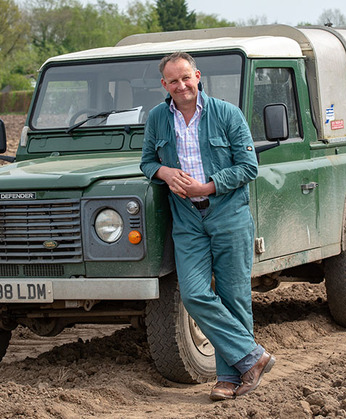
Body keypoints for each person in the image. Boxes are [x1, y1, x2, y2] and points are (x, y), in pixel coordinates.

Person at [140, 52, 275, 401]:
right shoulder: (157, 118)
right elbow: (146, 161)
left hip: (228, 214)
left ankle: (229, 379)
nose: (181, 85)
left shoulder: (227, 114)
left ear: (197, 76)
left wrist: (209, 186)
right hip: (187, 219)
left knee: (234, 298)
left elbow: (248, 167)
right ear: (164, 85)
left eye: (186, 77)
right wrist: (163, 172)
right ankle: (252, 356)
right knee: (195, 294)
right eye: (173, 81)